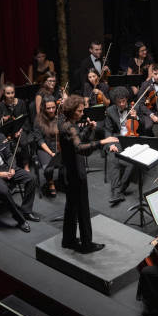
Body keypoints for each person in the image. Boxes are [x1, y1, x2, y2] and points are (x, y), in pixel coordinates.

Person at [59, 95, 118, 252]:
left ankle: (68, 239)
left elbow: (79, 141)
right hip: (75, 173)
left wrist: (88, 128)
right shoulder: (70, 127)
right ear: (72, 112)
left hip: (68, 171)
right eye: (79, 111)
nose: (82, 112)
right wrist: (102, 142)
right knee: (83, 209)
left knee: (71, 207)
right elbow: (80, 148)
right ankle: (86, 244)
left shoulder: (66, 123)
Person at [102, 87, 136, 205]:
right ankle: (117, 191)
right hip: (117, 139)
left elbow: (143, 126)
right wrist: (111, 144)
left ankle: (119, 190)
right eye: (119, 102)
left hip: (131, 139)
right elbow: (107, 130)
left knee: (131, 162)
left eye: (124, 101)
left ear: (127, 99)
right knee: (113, 155)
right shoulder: (110, 111)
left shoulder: (133, 108)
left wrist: (136, 117)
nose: (122, 104)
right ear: (115, 102)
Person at [32, 96, 61, 196]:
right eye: (48, 108)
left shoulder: (59, 116)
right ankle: (51, 182)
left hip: (58, 145)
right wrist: (51, 153)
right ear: (44, 108)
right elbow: (39, 140)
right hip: (45, 148)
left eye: (53, 107)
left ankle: (63, 180)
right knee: (48, 168)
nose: (52, 110)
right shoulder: (38, 120)